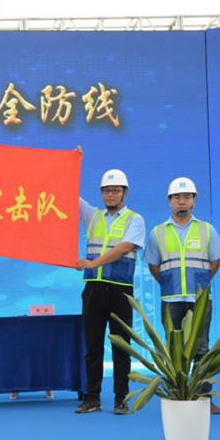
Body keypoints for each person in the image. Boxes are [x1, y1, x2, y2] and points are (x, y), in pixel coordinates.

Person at [143, 177, 220, 414]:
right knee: (174, 349)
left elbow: (215, 263)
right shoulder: (158, 232)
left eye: (187, 197)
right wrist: (169, 283)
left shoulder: (207, 230)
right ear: (169, 201)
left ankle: (204, 397)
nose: (182, 201)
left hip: (198, 300)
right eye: (177, 197)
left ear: (194, 201)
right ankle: (177, 395)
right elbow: (154, 266)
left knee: (202, 348)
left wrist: (199, 284)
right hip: (171, 300)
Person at [75, 169, 145, 415]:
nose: (111, 194)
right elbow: (70, 193)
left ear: (124, 193)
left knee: (121, 347)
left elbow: (124, 247)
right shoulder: (93, 215)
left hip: (120, 290)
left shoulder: (135, 219)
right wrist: (74, 161)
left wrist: (94, 263)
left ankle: (120, 398)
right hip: (94, 289)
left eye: (115, 190)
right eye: (106, 190)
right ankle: (92, 397)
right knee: (92, 346)